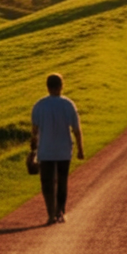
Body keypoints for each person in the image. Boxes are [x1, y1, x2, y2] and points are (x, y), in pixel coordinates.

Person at [30, 73, 84, 225]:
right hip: (63, 150)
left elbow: (34, 132)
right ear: (61, 86)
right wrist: (80, 149)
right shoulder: (68, 105)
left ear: (47, 87)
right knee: (62, 181)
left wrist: (33, 151)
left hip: (45, 151)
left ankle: (50, 213)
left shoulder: (39, 106)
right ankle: (60, 212)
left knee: (46, 183)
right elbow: (76, 130)